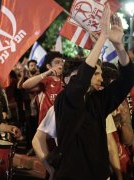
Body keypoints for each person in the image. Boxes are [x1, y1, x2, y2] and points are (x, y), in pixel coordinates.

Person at [54, 6, 133, 179]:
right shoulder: (63, 100)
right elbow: (81, 81)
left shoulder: (97, 100)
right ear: (70, 78)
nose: (100, 78)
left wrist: (119, 46)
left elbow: (127, 78)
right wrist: (102, 37)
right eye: (95, 73)